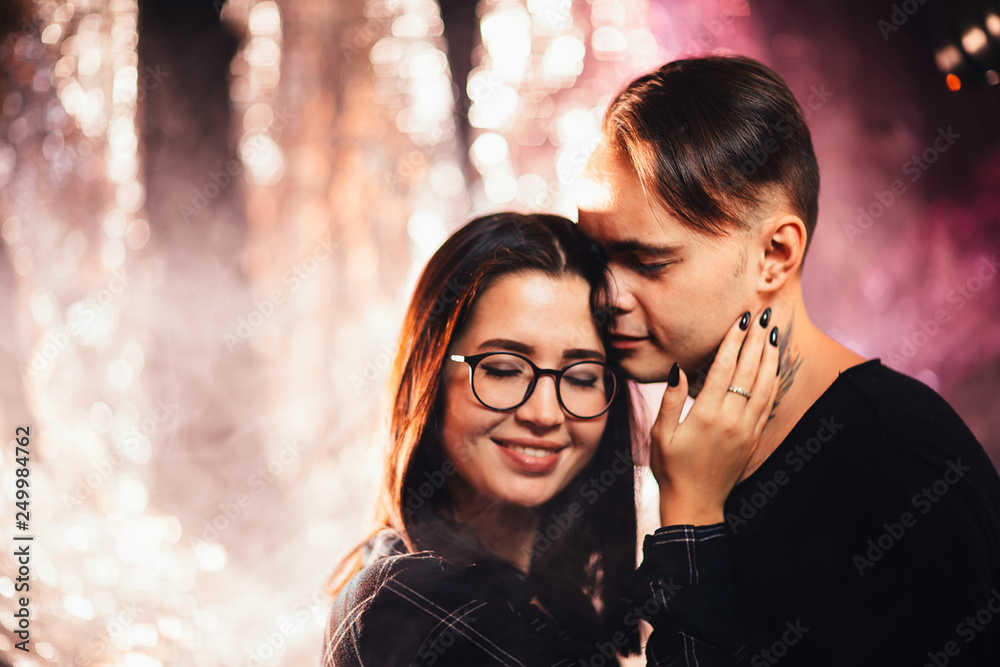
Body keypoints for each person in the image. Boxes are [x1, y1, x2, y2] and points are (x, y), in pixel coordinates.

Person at [577, 54, 1000, 665]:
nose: (608, 295)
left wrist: (692, 522)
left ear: (775, 253)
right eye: (596, 257)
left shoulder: (897, 471)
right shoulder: (709, 451)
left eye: (648, 262)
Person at [322, 212, 779, 666]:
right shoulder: (406, 605)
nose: (543, 413)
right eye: (502, 369)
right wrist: (692, 516)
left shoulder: (559, 599)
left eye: (580, 377)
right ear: (431, 377)